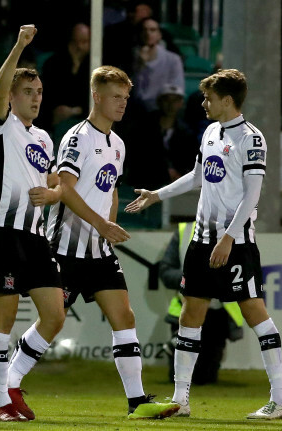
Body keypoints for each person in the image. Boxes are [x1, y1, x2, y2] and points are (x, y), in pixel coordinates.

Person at [126, 69, 282, 420]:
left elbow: (252, 195)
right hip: (202, 242)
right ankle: (180, 400)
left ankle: (280, 400)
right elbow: (199, 176)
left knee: (254, 313)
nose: (203, 103)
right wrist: (158, 194)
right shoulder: (210, 132)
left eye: (209, 98)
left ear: (227, 101)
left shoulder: (251, 138)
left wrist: (229, 237)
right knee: (190, 314)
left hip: (235, 242)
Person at [46, 65, 179, 420]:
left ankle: (137, 402)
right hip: (65, 248)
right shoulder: (77, 138)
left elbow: (111, 191)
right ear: (97, 96)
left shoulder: (117, 143)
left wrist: (110, 225)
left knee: (124, 316)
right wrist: (101, 224)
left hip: (98, 248)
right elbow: (65, 190)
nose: (122, 104)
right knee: (52, 321)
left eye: (126, 98)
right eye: (116, 97)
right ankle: (8, 387)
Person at [0, 25, 65, 422]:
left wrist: (53, 194)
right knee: (5, 318)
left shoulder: (45, 139)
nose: (35, 98)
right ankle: (0, 403)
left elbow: (51, 183)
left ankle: (11, 382)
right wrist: (20, 45)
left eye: (39, 92)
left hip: (35, 237)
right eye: (28, 92)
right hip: (3, 233)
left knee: (55, 315)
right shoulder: (0, 125)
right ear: (12, 98)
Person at [160, 221, 244, 385]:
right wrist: (194, 278)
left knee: (206, 378)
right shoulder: (184, 230)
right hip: (185, 309)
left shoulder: (237, 232)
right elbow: (166, 272)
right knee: (179, 377)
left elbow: (243, 274)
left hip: (218, 316)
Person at [41, 22, 91, 130]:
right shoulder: (53, 63)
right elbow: (51, 96)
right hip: (55, 122)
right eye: (75, 42)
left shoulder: (95, 66)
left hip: (86, 120)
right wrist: (74, 65)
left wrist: (75, 111)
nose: (79, 47)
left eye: (84, 42)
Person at [131, 18, 184, 112]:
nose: (148, 34)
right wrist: (140, 66)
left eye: (152, 30)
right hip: (136, 109)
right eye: (144, 30)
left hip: (162, 109)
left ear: (159, 35)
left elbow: (176, 89)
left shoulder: (173, 59)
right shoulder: (130, 57)